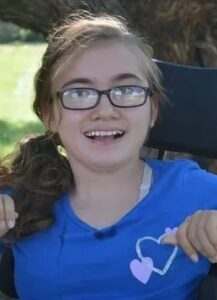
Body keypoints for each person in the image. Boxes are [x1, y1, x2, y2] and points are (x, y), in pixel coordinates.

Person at [0, 12, 217, 300]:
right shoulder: (19, 200)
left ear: (152, 110)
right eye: (79, 93)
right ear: (48, 113)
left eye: (126, 90)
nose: (105, 110)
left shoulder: (195, 191)